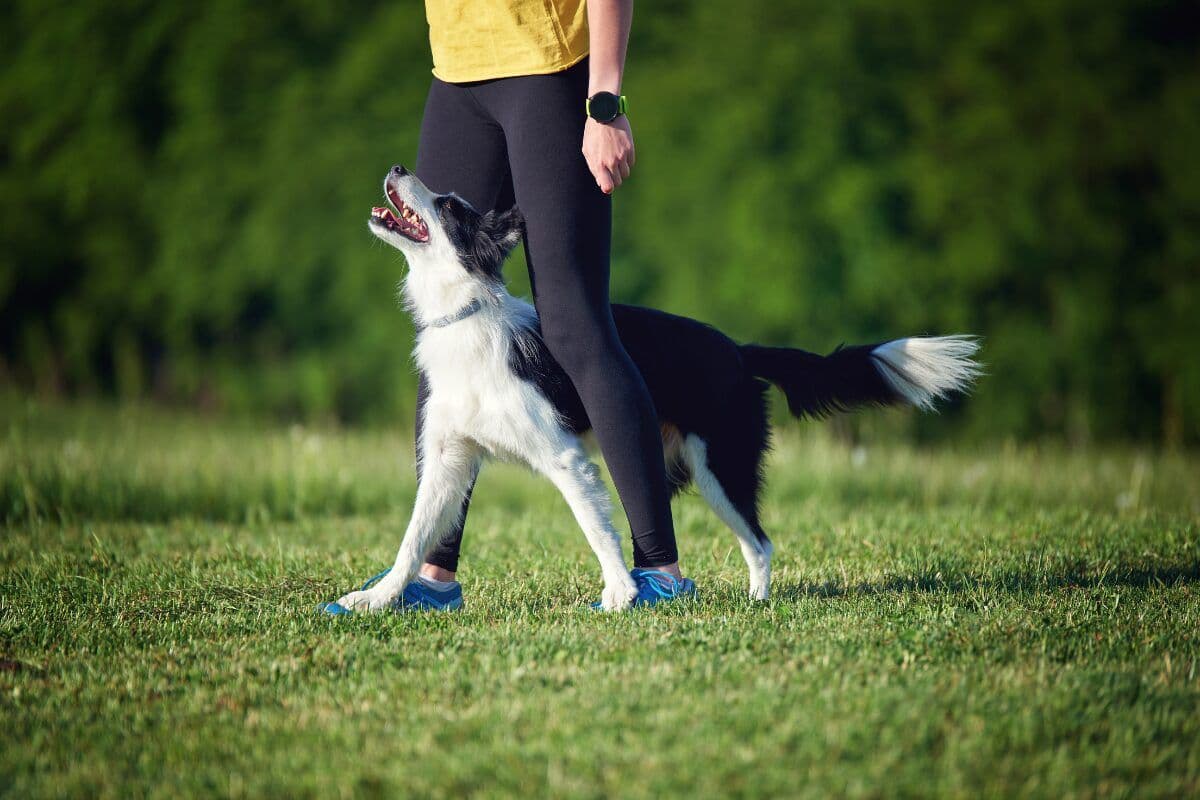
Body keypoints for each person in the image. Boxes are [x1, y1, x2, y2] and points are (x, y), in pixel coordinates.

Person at [397, 0, 695, 610]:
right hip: (455, 74)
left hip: (549, 68)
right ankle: (432, 579)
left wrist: (604, 102)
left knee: (573, 325)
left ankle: (660, 572)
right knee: (446, 326)